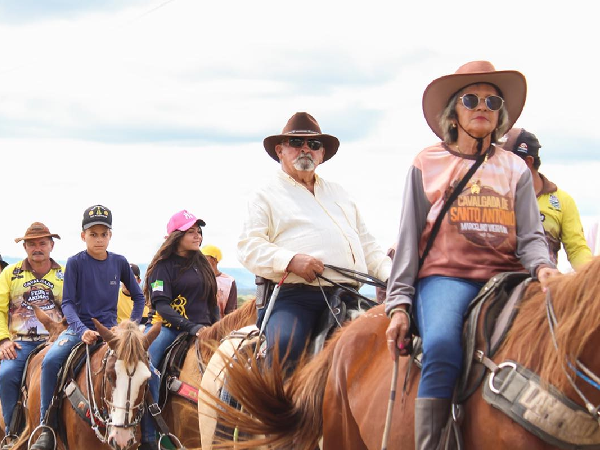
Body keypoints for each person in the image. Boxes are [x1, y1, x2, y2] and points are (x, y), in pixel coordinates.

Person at [384, 61, 559, 450]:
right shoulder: (426, 163)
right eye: (471, 98)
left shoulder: (516, 168)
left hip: (511, 278)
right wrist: (398, 303)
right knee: (444, 344)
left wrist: (544, 267)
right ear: (454, 111)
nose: (483, 106)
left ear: (500, 115)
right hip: (448, 278)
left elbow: (531, 236)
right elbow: (409, 239)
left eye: (492, 101)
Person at [238, 111, 392, 369]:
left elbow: (368, 245)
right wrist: (290, 260)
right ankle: (269, 409)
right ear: (280, 150)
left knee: (391, 341)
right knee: (285, 346)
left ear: (322, 154)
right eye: (296, 143)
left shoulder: (340, 193)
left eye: (314, 145)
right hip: (296, 298)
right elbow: (248, 247)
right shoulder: (264, 196)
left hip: (349, 295)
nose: (306, 149)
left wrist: (392, 275)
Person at [31, 205, 145, 450]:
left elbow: (139, 297)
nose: (99, 239)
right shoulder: (75, 263)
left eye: (103, 234)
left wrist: (132, 326)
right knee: (50, 362)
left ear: (110, 236)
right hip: (77, 329)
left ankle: (149, 429)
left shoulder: (119, 262)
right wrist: (81, 329)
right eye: (93, 234)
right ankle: (46, 427)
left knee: (146, 368)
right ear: (83, 236)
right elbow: (69, 303)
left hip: (112, 332)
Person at [140, 210, 218, 450]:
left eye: (198, 232)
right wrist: (191, 327)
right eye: (190, 232)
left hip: (204, 330)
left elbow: (211, 302)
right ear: (176, 236)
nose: (197, 236)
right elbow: (162, 305)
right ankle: (149, 435)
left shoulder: (202, 263)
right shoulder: (163, 267)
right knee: (147, 369)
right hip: (169, 329)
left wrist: (216, 329)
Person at [0, 223, 64, 449]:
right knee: (6, 375)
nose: (38, 248)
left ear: (51, 246)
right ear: (25, 247)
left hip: (57, 340)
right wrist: (3, 340)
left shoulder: (63, 274)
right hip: (20, 342)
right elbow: (0, 307)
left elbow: (72, 308)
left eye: (42, 243)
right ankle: (13, 434)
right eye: (32, 244)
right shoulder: (10, 273)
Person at [502, 128, 592, 270]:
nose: (499, 165)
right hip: (500, 277)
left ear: (528, 162)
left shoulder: (562, 201)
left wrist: (591, 275)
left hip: (545, 280)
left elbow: (576, 249)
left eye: (506, 160)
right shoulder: (496, 196)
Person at [201, 244, 238, 316]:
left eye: (204, 257)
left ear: (214, 259)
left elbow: (231, 310)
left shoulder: (229, 281)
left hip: (221, 325)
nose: (201, 260)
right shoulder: (196, 278)